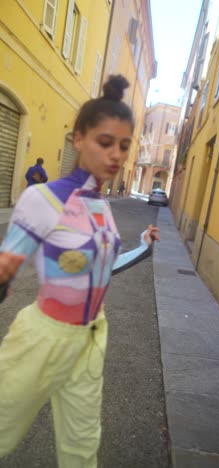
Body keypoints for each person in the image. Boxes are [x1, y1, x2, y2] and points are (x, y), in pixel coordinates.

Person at [0, 75, 160, 468]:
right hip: (42, 338)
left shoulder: (102, 208)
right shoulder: (43, 200)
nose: (116, 155)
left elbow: (101, 275)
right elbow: (5, 268)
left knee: (82, 447)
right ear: (78, 139)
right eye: (105, 143)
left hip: (90, 339)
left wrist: (142, 244)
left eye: (124, 146)